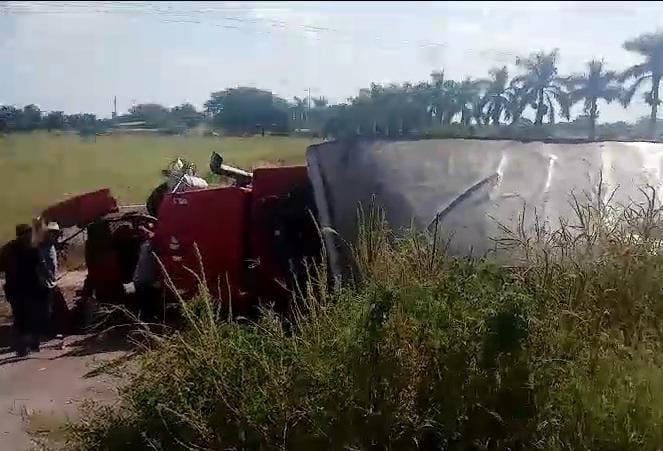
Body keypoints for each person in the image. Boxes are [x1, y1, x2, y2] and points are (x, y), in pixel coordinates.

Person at [0, 224, 40, 355]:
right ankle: (26, 345)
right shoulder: (30, 248)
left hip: (15, 288)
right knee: (26, 316)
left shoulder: (7, 249)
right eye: (28, 233)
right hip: (25, 288)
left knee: (22, 317)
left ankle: (26, 344)